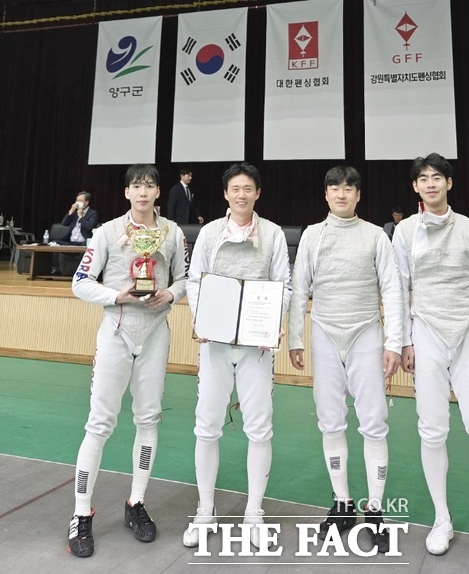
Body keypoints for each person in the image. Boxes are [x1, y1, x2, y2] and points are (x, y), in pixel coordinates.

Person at [392, 153, 469, 564]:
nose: (430, 184)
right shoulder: (404, 231)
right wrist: (403, 341)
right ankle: (442, 519)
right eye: (423, 178)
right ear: (415, 186)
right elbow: (398, 289)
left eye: (437, 177)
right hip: (425, 334)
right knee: (432, 431)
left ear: (449, 183)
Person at [66, 164, 188, 558]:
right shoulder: (106, 232)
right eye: (137, 186)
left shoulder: (172, 232)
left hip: (155, 334)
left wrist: (170, 294)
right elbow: (80, 282)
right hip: (116, 333)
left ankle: (136, 502)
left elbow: (186, 279)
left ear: (158, 192)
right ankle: (81, 513)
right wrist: (116, 295)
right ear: (127, 192)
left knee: (148, 419)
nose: (143, 192)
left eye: (150, 185)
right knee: (100, 424)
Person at [288, 166, 402, 554]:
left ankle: (375, 509)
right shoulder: (312, 235)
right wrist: (296, 338)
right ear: (326, 194)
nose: (341, 194)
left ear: (358, 195)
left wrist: (394, 342)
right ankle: (342, 503)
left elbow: (393, 289)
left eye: (349, 188)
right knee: (330, 420)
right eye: (335, 188)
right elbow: (299, 288)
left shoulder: (375, 236)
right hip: (324, 333)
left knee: (374, 422)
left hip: (366, 332)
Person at [183, 162, 291, 549]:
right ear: (226, 194)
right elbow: (195, 280)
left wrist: (274, 321)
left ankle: (253, 512)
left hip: (255, 348)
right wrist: (201, 318)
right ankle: (205, 510)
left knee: (259, 428)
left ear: (257, 193)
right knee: (206, 426)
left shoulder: (273, 234)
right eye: (235, 189)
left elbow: (284, 284)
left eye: (248, 189)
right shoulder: (210, 233)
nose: (241, 195)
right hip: (215, 343)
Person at [51, 191, 99, 274]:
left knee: (87, 245)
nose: (77, 203)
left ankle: (82, 272)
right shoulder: (74, 213)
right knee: (55, 243)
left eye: (80, 200)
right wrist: (71, 210)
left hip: (84, 242)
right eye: (77, 200)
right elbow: (64, 223)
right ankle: (55, 269)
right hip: (71, 242)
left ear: (86, 202)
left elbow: (89, 227)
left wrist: (81, 217)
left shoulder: (93, 213)